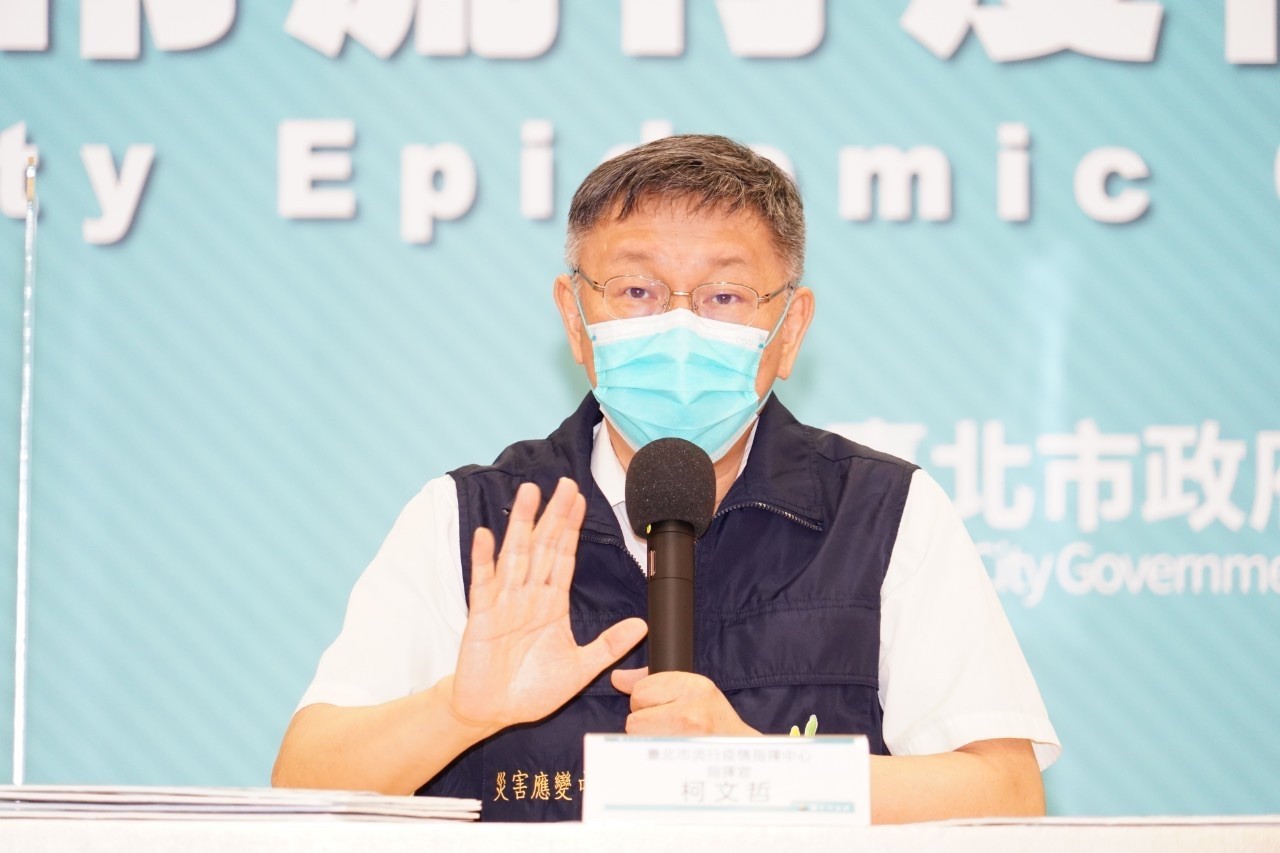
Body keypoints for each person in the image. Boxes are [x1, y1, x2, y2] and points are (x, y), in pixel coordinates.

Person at [272, 134, 1060, 823]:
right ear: (575, 317)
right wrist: (455, 710)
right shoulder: (475, 519)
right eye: (637, 291)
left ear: (791, 329)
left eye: (724, 295)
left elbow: (1006, 791)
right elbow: (303, 782)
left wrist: (761, 771)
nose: (679, 325)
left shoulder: (884, 514)